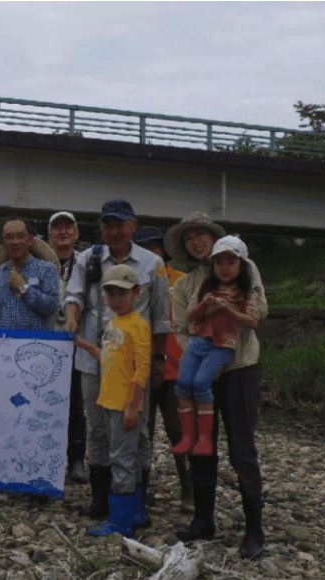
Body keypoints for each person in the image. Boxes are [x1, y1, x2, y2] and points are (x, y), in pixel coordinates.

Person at [164, 212, 268, 560]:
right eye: (189, 236)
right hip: (200, 372)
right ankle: (203, 519)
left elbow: (258, 315)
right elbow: (180, 328)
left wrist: (219, 361)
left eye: (201, 234)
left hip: (239, 369)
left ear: (215, 239)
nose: (195, 240)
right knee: (201, 444)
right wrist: (200, 362)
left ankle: (255, 528)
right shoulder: (184, 284)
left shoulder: (244, 270)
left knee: (242, 448)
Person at [63, 200, 169, 524]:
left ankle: (134, 504)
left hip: (133, 365)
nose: (115, 230)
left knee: (135, 431)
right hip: (94, 359)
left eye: (120, 223)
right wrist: (71, 321)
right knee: (97, 429)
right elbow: (73, 297)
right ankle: (100, 500)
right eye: (108, 224)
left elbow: (161, 318)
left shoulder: (152, 264)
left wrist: (159, 362)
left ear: (133, 225)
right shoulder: (88, 258)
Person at [73, 265, 150, 537]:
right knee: (128, 455)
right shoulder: (113, 323)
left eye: (122, 293)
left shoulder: (138, 325)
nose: (116, 299)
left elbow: (142, 368)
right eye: (111, 293)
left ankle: (120, 522)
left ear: (136, 293)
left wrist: (133, 405)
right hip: (109, 400)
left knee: (121, 458)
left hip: (125, 405)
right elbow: (107, 359)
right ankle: (136, 511)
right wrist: (82, 344)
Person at [173, 236, 260, 458]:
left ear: (241, 265)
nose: (224, 267)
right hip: (198, 341)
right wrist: (207, 305)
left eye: (231, 262)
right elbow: (188, 319)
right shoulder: (200, 285)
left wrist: (227, 309)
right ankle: (189, 436)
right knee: (183, 383)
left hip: (225, 347)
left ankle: (203, 438)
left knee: (201, 384)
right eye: (219, 262)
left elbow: (253, 320)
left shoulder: (247, 289)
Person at [133, 225, 193, 510]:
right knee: (141, 433)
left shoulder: (182, 281)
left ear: (163, 251)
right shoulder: (130, 283)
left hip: (175, 370)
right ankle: (140, 488)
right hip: (140, 370)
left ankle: (188, 488)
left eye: (154, 247)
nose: (150, 253)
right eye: (143, 248)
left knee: (178, 431)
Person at [48, 211, 87, 485]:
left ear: (76, 234)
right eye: (57, 228)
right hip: (46, 343)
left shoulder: (86, 263)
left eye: (68, 228)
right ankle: (45, 457)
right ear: (49, 235)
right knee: (43, 404)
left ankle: (76, 460)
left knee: (76, 403)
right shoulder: (39, 262)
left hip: (77, 342)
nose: (63, 232)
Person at [0, 217, 60, 331]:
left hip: (36, 345)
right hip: (0, 345)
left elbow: (52, 307)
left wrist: (23, 288)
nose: (15, 242)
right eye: (9, 237)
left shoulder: (47, 269)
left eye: (20, 236)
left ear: (30, 239)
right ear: (2, 242)